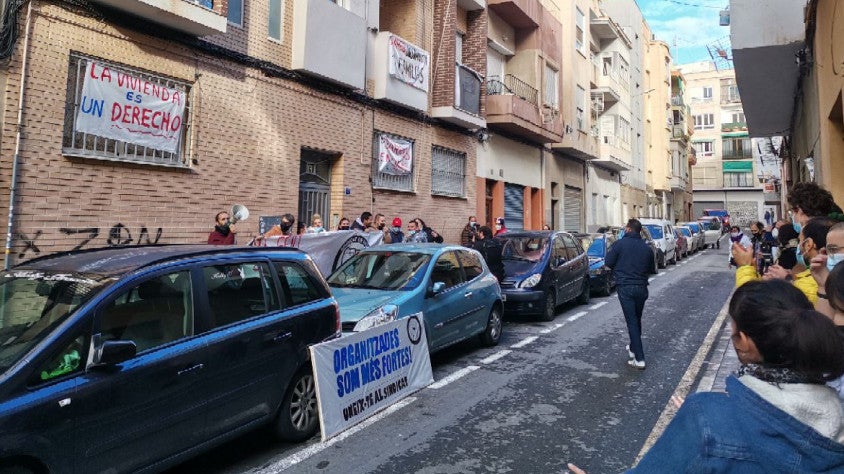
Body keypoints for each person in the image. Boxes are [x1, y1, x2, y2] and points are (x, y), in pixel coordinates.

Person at [569, 279, 844, 474]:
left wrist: (704, 416)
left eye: (733, 329)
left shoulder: (707, 419)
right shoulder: (838, 411)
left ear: (745, 343)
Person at [735, 216, 836, 305]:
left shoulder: (810, 286)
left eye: (799, 240)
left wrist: (745, 267)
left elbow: (750, 304)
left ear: (808, 244)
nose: (798, 245)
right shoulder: (828, 274)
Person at [605, 219, 655, 369]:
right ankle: (633, 349)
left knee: (632, 321)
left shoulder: (619, 245)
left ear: (628, 229)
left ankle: (639, 359)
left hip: (625, 287)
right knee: (637, 319)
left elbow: (608, 262)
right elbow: (651, 268)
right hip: (641, 287)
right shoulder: (646, 248)